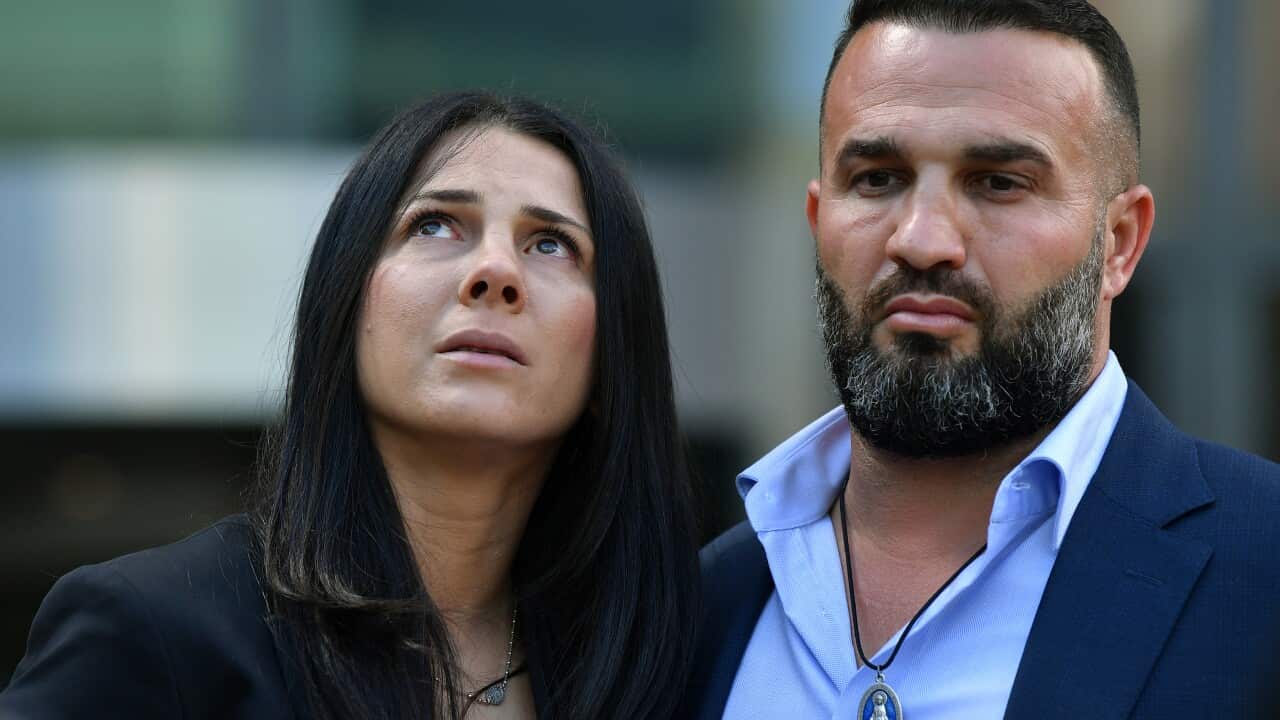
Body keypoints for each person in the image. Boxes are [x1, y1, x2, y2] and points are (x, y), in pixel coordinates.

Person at [1, 92, 699, 719]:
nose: (495, 272)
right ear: (345, 304)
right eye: (433, 225)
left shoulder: (667, 672)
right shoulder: (154, 632)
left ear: (613, 352)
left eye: (551, 244)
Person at [680, 1, 1280, 718]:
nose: (923, 239)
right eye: (876, 177)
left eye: (998, 182)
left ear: (1118, 242)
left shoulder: (1262, 568)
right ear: (819, 221)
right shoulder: (697, 608)